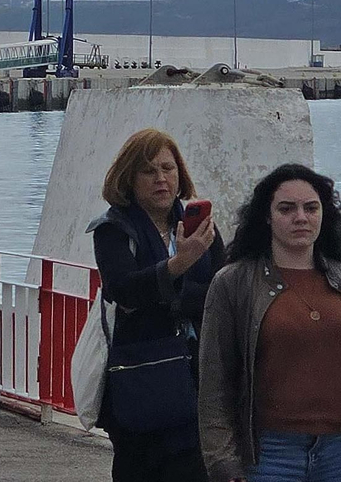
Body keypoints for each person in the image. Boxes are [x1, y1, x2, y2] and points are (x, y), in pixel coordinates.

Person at [88, 128, 223, 482]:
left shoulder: (201, 227)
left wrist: (173, 299)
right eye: (149, 171)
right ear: (129, 179)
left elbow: (222, 293)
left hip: (195, 380)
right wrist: (180, 263)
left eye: (168, 168)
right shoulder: (114, 230)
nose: (161, 179)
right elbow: (125, 291)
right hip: (141, 380)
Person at [200, 164, 341, 482]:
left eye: (311, 207)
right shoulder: (233, 282)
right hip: (268, 455)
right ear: (267, 216)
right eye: (287, 209)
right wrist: (222, 462)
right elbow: (214, 382)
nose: (301, 217)